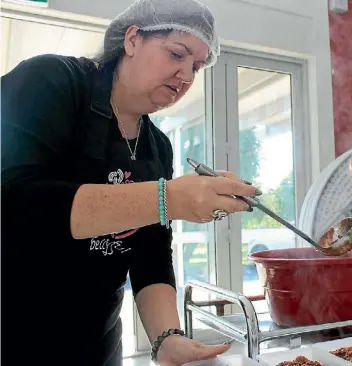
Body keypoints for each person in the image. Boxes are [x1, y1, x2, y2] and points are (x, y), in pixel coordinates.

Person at [1, 0, 259, 364]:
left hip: (97, 345)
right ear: (133, 39)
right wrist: (164, 198)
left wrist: (168, 338)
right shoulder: (50, 81)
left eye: (196, 67)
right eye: (176, 54)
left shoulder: (158, 146)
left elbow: (150, 253)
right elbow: (12, 203)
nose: (186, 76)